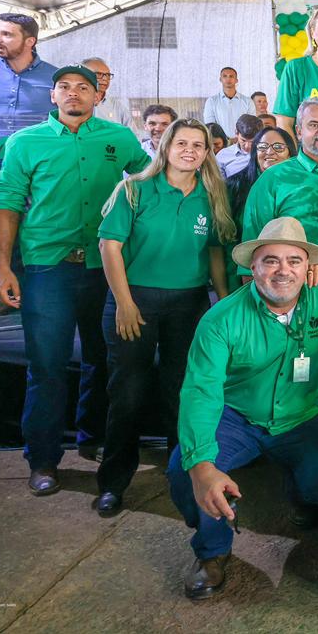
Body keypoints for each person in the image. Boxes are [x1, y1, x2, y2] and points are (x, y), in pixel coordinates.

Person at [167, 217, 318, 600]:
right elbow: (200, 393)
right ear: (253, 267)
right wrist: (202, 466)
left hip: (302, 415)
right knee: (185, 471)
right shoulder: (220, 319)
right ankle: (212, 551)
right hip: (236, 416)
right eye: (271, 261)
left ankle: (301, 492)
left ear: (307, 267)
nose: (283, 270)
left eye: (294, 261)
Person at [0, 64, 150, 495]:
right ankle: (42, 459)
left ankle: (92, 437)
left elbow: (150, 180)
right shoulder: (25, 142)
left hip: (105, 268)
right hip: (48, 268)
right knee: (47, 366)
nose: (74, 93)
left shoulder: (120, 138)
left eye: (83, 87)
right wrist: (3, 267)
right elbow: (6, 204)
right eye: (64, 87)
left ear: (98, 95)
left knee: (104, 359)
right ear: (53, 95)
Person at [93, 118, 235, 516]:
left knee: (183, 393)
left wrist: (224, 301)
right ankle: (113, 482)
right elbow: (109, 247)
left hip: (188, 303)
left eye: (198, 145)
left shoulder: (211, 196)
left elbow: (214, 252)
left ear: (207, 153)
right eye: (181, 143)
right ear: (165, 147)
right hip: (135, 300)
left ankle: (186, 479)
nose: (189, 151)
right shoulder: (134, 189)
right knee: (127, 393)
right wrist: (124, 303)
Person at [241, 100, 318, 275]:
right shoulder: (273, 179)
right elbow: (251, 250)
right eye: (314, 125)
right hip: (293, 285)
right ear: (298, 132)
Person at [225, 125, 296, 292]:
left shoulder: (300, 188)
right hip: (239, 272)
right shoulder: (234, 186)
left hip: (286, 273)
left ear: (290, 153)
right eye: (262, 147)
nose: (270, 152)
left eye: (278, 147)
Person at [202, 67, 255, 139]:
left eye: (231, 76)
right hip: (220, 143)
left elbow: (251, 124)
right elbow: (210, 125)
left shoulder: (248, 101)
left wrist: (240, 139)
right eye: (225, 76)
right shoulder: (211, 101)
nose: (228, 79)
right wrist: (225, 140)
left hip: (242, 141)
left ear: (236, 80)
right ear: (220, 79)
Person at [84, 57, 133, 127]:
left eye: (108, 75)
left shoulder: (118, 108)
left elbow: (132, 133)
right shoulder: (71, 104)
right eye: (98, 74)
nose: (105, 78)